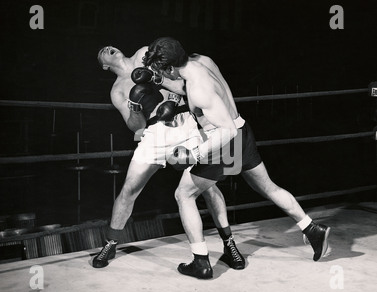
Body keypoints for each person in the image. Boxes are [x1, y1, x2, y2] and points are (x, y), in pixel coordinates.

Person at [143, 37, 331, 279]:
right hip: (243, 131)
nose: (162, 75)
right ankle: (312, 229)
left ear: (170, 67)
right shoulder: (202, 62)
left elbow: (225, 129)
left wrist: (195, 153)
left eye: (162, 71)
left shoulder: (199, 90)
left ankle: (200, 261)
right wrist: (159, 80)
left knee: (184, 194)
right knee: (267, 187)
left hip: (225, 141)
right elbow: (189, 89)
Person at [92, 45, 246, 273]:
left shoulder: (144, 53)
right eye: (103, 52)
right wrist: (135, 106)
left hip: (184, 121)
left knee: (208, 187)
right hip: (154, 133)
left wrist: (173, 98)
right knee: (129, 190)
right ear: (105, 66)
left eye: (109, 46)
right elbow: (136, 126)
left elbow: (179, 76)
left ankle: (229, 244)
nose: (107, 48)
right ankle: (110, 244)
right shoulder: (117, 91)